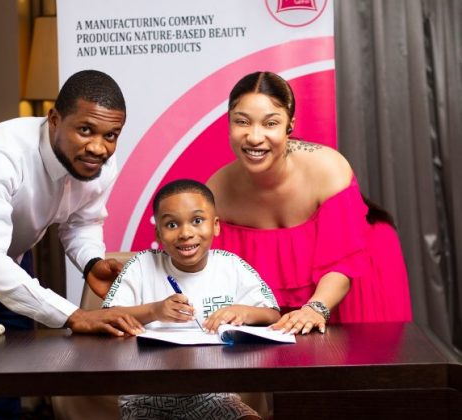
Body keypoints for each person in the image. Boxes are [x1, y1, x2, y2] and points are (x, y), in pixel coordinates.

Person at [0, 69, 143, 419]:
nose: (98, 147)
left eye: (111, 135)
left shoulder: (99, 163)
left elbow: (82, 222)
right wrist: (72, 315)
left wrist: (92, 262)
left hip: (11, 259)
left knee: (10, 385)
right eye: (85, 130)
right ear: (54, 119)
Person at [206, 70, 412, 336]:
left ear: (289, 126)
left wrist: (316, 308)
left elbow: (341, 264)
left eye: (270, 123)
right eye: (242, 122)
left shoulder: (328, 168)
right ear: (229, 124)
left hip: (352, 276)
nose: (255, 137)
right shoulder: (216, 192)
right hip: (269, 312)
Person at [103, 179, 280, 420]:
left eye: (197, 221)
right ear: (158, 233)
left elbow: (272, 315)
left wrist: (244, 311)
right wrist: (154, 311)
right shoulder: (140, 266)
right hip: (146, 398)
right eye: (172, 224)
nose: (185, 234)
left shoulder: (231, 265)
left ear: (215, 226)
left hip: (215, 395)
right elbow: (107, 317)